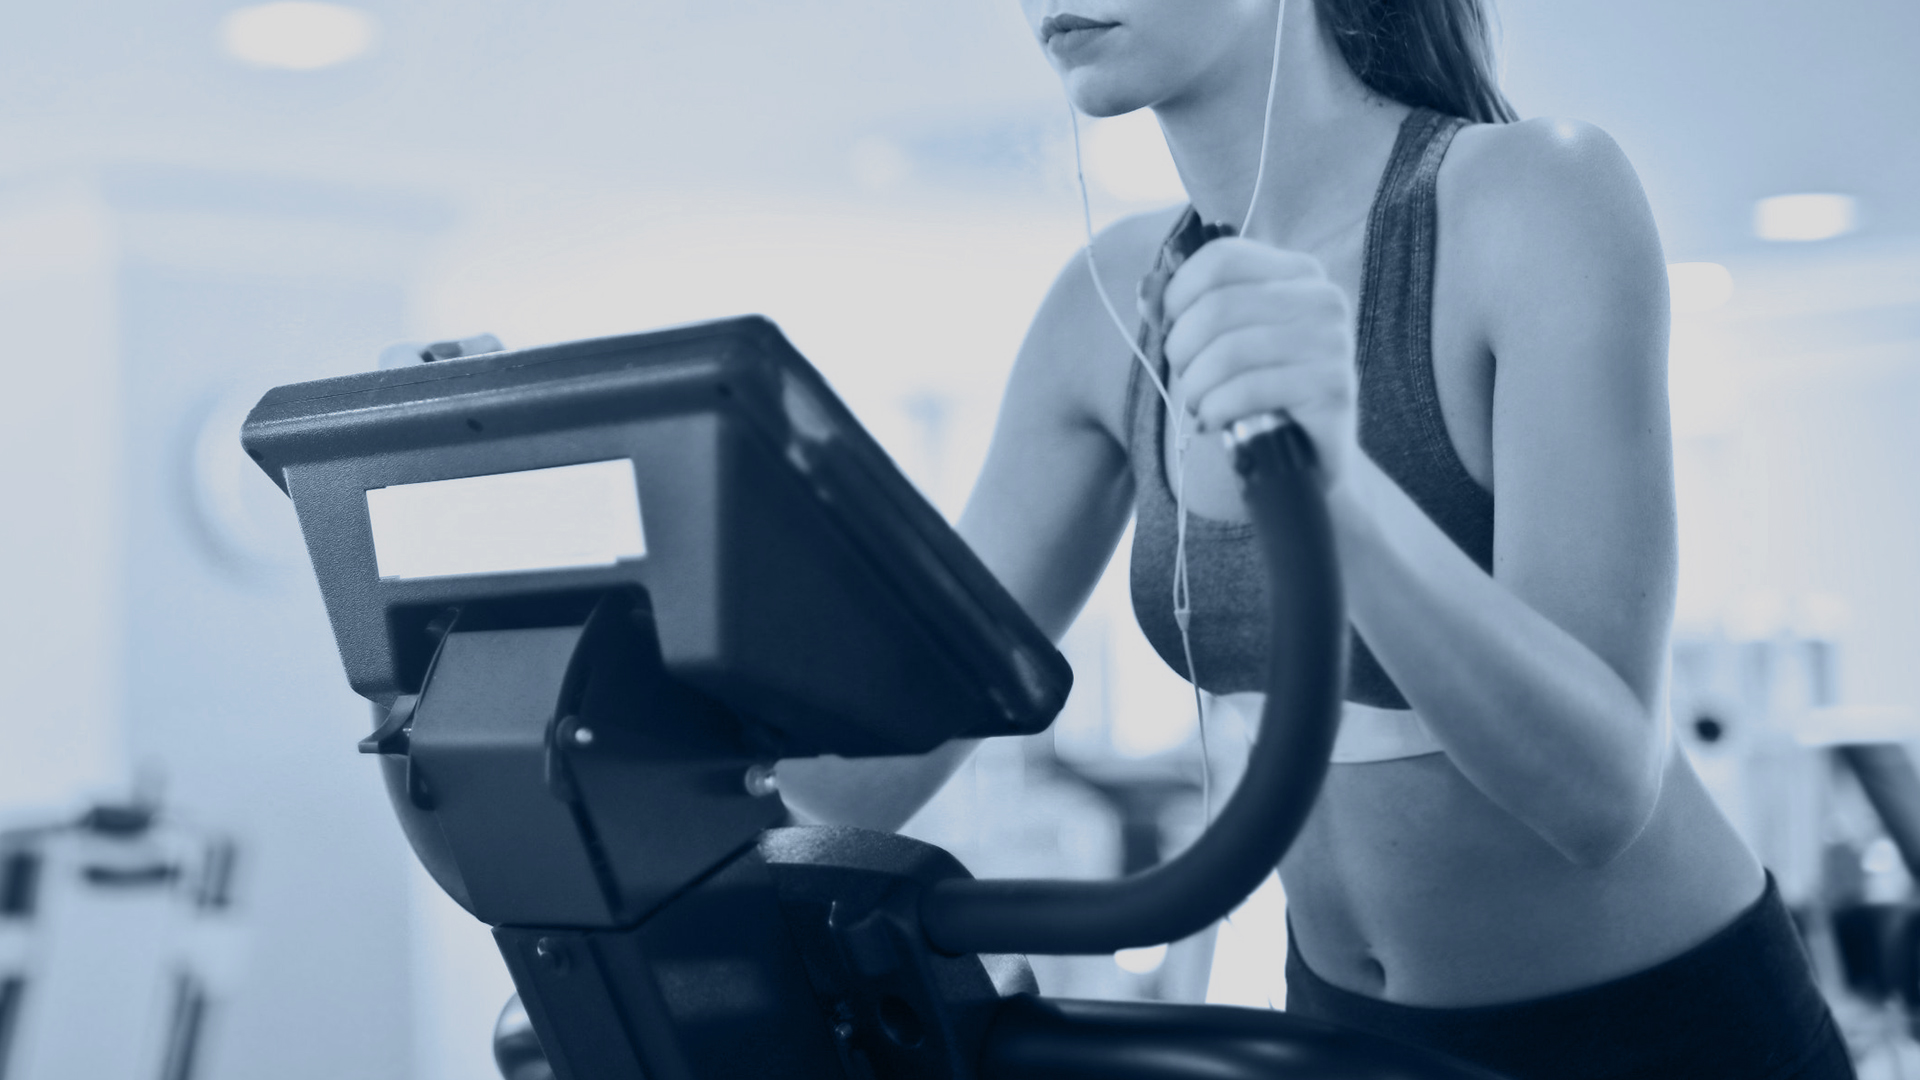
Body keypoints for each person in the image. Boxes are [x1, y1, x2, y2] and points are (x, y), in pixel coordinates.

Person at [780, 1, 1855, 1076]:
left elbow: (1601, 794)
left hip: (1659, 1030)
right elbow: (859, 778)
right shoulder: (1107, 306)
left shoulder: (1528, 196)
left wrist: (1332, 482)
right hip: (1346, 1033)